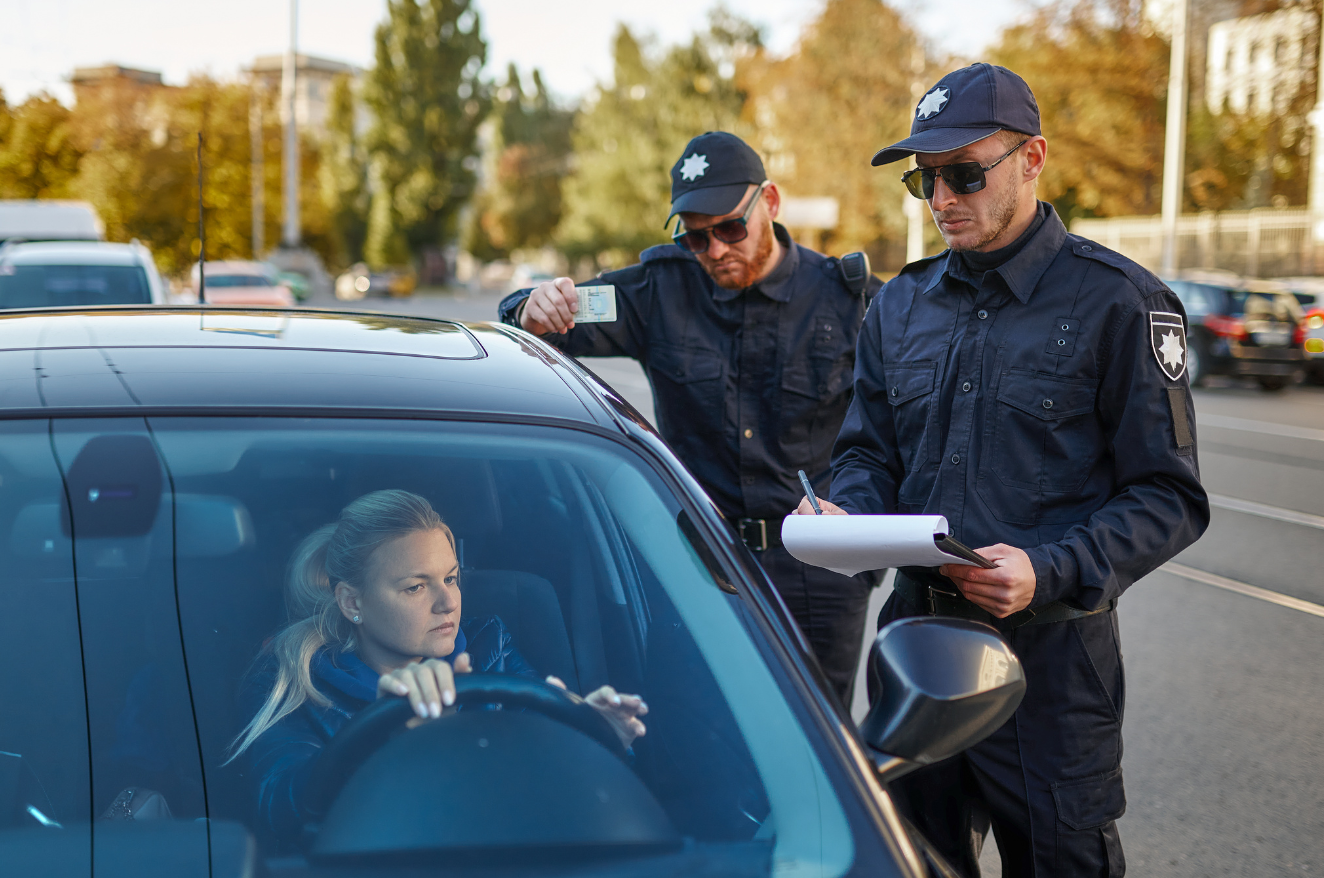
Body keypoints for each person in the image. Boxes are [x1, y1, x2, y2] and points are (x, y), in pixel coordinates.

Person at [794, 64, 1209, 877]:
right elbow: (867, 451)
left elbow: (1170, 496)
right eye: (926, 180)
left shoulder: (1120, 302)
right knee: (912, 861)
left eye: (966, 173)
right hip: (916, 641)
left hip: (1049, 666)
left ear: (1033, 157)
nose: (944, 197)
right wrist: (850, 515)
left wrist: (1049, 569)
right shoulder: (901, 304)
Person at [500, 131, 883, 703]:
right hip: (701, 559)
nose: (715, 250)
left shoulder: (848, 300)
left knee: (816, 730)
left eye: (730, 228)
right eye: (696, 237)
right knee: (702, 719)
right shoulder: (659, 288)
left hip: (815, 568)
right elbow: (536, 320)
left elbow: (895, 434)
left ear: (770, 204)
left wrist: (864, 537)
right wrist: (529, 306)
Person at [228, 489, 648, 852]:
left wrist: (598, 739)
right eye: (415, 587)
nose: (448, 603)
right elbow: (278, 809)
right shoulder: (289, 679)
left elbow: (553, 775)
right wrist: (387, 742)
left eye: (450, 578)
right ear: (352, 603)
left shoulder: (490, 648)